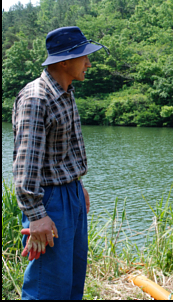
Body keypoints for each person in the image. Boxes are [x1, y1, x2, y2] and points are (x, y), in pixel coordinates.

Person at [12, 26, 109, 300]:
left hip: (71, 193)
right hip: (49, 200)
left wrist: (78, 186)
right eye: (84, 57)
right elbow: (26, 165)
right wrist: (36, 215)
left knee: (71, 282)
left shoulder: (65, 91)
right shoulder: (36, 97)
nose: (89, 63)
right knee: (47, 286)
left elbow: (62, 152)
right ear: (64, 61)